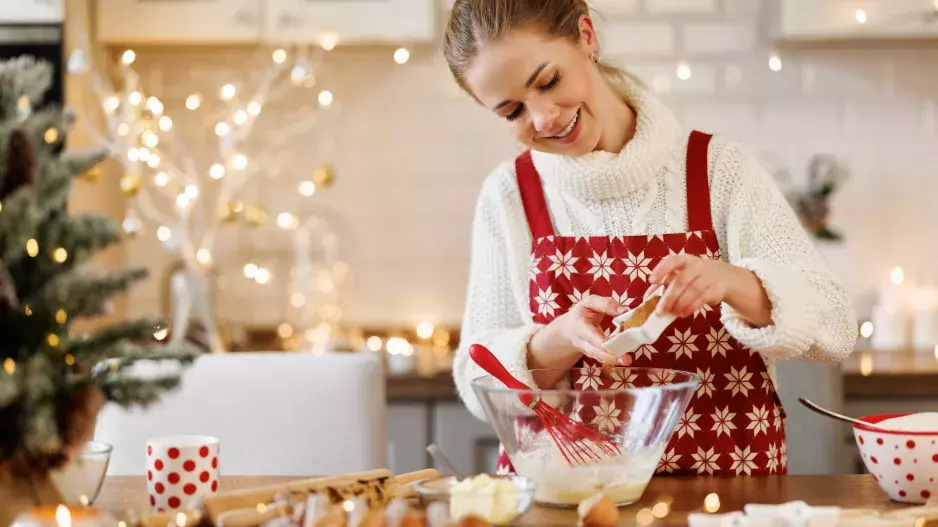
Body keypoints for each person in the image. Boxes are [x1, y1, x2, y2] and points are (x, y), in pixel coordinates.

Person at [444, 0, 858, 477]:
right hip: (569, 497)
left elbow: (836, 328)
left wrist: (732, 282)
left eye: (549, 81)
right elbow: (475, 379)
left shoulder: (717, 170)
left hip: (726, 498)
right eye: (513, 111)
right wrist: (557, 339)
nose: (544, 118)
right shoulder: (508, 195)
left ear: (586, 36)